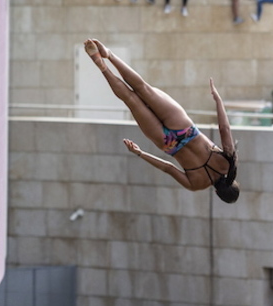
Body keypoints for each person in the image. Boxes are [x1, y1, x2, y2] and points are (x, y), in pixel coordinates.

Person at [83, 39, 240, 202]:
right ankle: (103, 67)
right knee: (130, 99)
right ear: (217, 193)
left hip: (185, 129)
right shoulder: (196, 185)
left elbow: (224, 129)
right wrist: (140, 153)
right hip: (169, 143)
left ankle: (109, 55)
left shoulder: (228, 162)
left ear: (233, 182)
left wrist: (218, 100)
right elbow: (168, 168)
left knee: (143, 88)